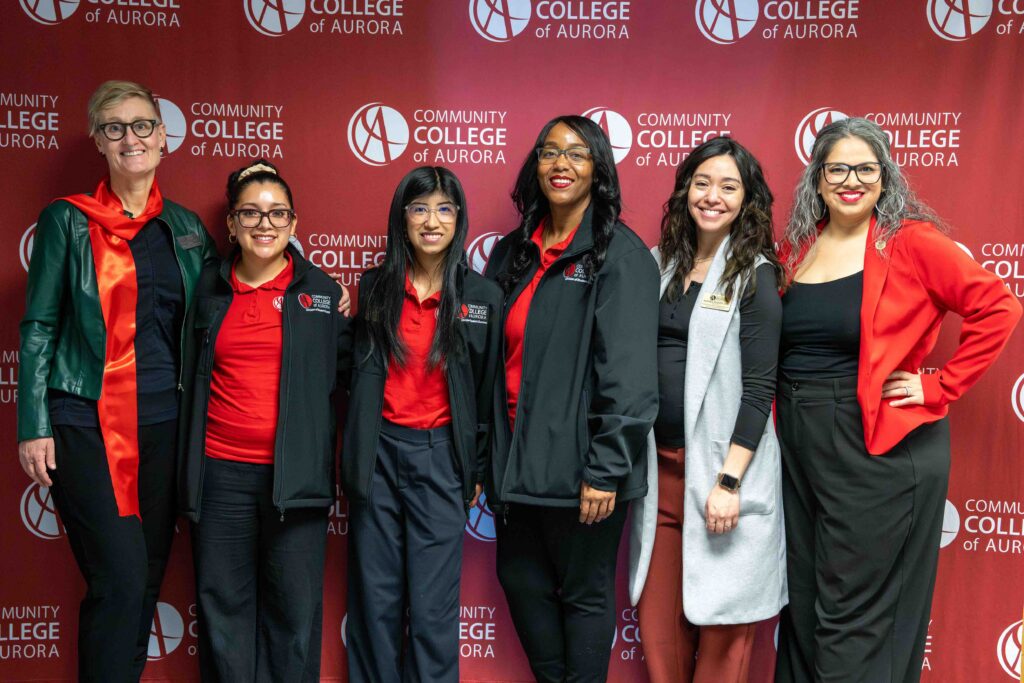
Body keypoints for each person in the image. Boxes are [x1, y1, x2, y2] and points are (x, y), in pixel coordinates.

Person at [774, 117, 1021, 682]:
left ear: (886, 179)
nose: (851, 180)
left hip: (876, 448)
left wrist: (938, 385)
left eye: (866, 169)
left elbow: (1000, 308)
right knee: (805, 601)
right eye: (838, 168)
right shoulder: (798, 247)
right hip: (799, 438)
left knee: (853, 615)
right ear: (817, 177)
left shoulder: (909, 242)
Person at [16, 80, 218, 682]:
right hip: (86, 422)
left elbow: (232, 294)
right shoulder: (67, 221)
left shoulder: (183, 228)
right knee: (120, 580)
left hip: (166, 425)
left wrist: (322, 285)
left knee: (147, 578)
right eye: (114, 127)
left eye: (141, 125)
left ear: (162, 137)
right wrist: (34, 424)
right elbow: (38, 328)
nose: (130, 137)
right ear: (98, 141)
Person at [483, 115, 659, 682]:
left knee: (583, 597)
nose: (561, 164)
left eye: (577, 154)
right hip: (517, 464)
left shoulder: (618, 256)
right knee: (521, 581)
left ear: (598, 169)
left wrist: (606, 470)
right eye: (549, 152)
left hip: (584, 473)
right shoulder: (512, 253)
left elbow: (629, 376)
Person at [177, 159, 352, 681]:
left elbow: (355, 379)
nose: (264, 224)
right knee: (223, 613)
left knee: (293, 618)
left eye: (277, 214)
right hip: (219, 477)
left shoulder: (321, 294)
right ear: (230, 224)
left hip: (294, 481)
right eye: (250, 213)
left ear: (294, 225)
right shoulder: (204, 289)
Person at [628, 136, 787, 682]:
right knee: (661, 637)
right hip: (660, 478)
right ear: (685, 190)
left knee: (722, 647)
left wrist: (729, 481)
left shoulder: (755, 275)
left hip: (723, 480)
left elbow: (760, 388)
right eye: (702, 182)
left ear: (747, 200)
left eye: (728, 185)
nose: (712, 195)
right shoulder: (658, 266)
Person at [343, 166, 502, 683]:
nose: (431, 221)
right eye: (419, 208)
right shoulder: (373, 288)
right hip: (378, 457)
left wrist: (474, 467)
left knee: (433, 614)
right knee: (375, 605)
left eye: (444, 209)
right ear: (402, 217)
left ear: (459, 219)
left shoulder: (481, 298)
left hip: (441, 460)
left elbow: (487, 393)